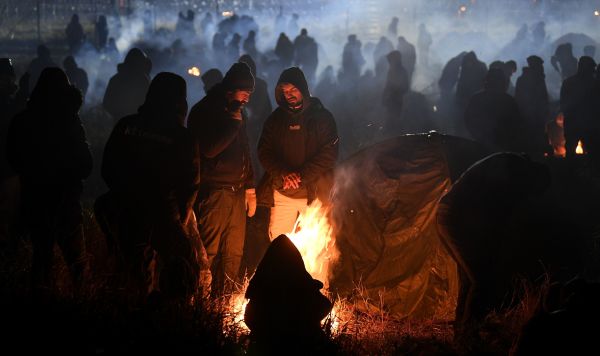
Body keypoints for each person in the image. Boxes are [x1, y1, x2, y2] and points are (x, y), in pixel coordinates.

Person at [100, 72, 207, 301]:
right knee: (185, 264)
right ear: (180, 101)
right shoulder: (183, 137)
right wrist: (179, 217)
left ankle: (133, 314)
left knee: (133, 269)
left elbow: (107, 167)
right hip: (163, 213)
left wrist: (123, 194)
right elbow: (190, 184)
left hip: (127, 210)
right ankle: (175, 317)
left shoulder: (127, 125)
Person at [7, 68, 92, 294]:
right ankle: (85, 304)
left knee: (41, 256)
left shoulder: (23, 120)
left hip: (34, 199)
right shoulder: (70, 122)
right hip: (66, 199)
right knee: (77, 262)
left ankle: (41, 300)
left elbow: (12, 158)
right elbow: (85, 164)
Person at [187, 63, 256, 295]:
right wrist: (233, 122)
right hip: (214, 191)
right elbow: (209, 149)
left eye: (250, 92)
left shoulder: (238, 111)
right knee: (209, 251)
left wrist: (250, 187)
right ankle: (202, 304)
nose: (248, 95)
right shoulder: (206, 110)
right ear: (230, 89)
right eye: (244, 90)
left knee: (234, 252)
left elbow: (245, 149)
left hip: (237, 193)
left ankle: (226, 303)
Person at [257, 67, 338, 240]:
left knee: (313, 247)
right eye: (285, 91)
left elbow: (329, 154)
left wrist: (301, 176)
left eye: (293, 89)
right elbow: (264, 151)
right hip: (282, 193)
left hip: (314, 195)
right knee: (279, 243)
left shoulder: (321, 117)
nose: (289, 94)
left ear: (303, 89)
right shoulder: (275, 119)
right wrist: (284, 173)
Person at [244, 234, 333, 354]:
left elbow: (250, 319)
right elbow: (324, 306)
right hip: (299, 345)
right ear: (295, 259)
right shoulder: (300, 281)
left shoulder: (261, 283)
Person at [464, 68, 522, 152]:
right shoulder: (508, 100)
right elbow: (469, 119)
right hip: (490, 145)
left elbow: (468, 120)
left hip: (489, 144)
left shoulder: (477, 98)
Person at [560, 56, 596, 158]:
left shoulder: (568, 82)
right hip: (588, 124)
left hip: (574, 123)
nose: (593, 71)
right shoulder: (593, 84)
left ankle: (570, 171)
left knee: (571, 152)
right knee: (593, 153)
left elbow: (564, 103)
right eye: (591, 68)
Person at [103, 48, 152, 121]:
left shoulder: (115, 79)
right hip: (134, 123)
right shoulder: (143, 81)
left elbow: (106, 103)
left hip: (119, 121)